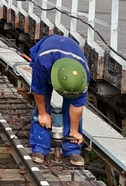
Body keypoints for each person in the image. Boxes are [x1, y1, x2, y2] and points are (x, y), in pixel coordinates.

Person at [28, 34, 90, 167]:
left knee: (71, 102)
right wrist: (43, 113)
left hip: (69, 66)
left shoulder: (82, 74)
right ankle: (40, 147)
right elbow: (38, 91)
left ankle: (72, 149)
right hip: (47, 56)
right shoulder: (43, 61)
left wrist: (74, 130)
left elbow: (77, 105)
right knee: (42, 103)